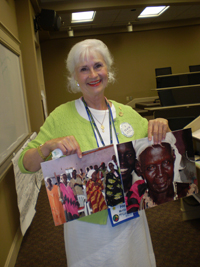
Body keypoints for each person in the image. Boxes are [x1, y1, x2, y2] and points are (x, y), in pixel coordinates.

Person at [18, 39, 170, 267]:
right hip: (87, 231)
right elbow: (25, 164)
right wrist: (48, 145)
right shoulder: (61, 116)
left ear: (108, 69)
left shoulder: (127, 114)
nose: (93, 74)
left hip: (131, 220)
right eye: (83, 69)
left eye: (98, 66)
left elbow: (154, 146)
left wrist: (161, 125)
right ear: (75, 77)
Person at [127, 132, 197, 211]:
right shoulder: (135, 204)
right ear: (139, 168)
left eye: (166, 163)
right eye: (151, 167)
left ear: (173, 157)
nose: (160, 174)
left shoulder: (191, 191)